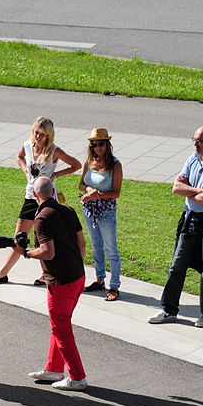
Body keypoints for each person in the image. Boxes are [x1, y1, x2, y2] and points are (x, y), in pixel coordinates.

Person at [148, 126, 203, 328]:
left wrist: (190, 192)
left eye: (199, 141)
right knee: (177, 266)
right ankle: (169, 309)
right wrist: (196, 191)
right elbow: (176, 187)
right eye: (193, 139)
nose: (195, 144)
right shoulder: (192, 158)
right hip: (189, 219)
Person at [0, 116, 81, 286]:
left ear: (49, 136)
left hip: (47, 199)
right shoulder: (27, 146)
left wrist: (55, 175)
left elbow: (76, 165)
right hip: (31, 196)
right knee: (19, 236)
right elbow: (19, 156)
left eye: (42, 134)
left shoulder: (54, 151)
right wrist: (25, 171)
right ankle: (2, 273)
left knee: (46, 238)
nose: (38, 137)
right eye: (36, 132)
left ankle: (46, 274)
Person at [19, 177, 88, 391]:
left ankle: (77, 377)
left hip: (61, 282)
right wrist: (75, 265)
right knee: (59, 324)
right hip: (78, 277)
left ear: (35, 195)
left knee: (61, 327)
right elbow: (82, 243)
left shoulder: (41, 219)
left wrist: (27, 253)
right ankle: (54, 368)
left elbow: (48, 252)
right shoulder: (68, 210)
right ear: (53, 191)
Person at [78, 128, 123, 302]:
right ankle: (99, 279)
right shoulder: (89, 161)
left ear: (108, 144)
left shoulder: (115, 165)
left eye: (101, 144)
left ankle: (114, 285)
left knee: (111, 249)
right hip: (89, 210)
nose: (98, 148)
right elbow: (81, 184)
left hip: (106, 211)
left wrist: (95, 195)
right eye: (94, 144)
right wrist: (88, 190)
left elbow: (116, 192)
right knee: (96, 246)